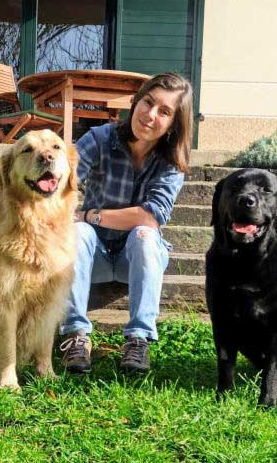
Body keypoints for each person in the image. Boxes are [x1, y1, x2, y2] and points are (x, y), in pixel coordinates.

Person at [59, 72, 193, 373]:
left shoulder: (172, 161)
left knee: (144, 234)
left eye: (164, 111)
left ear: (174, 124)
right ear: (136, 101)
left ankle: (138, 339)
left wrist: (91, 215)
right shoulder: (100, 139)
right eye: (148, 102)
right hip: (92, 254)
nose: (150, 115)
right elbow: (64, 183)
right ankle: (75, 336)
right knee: (79, 231)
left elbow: (151, 216)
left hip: (136, 258)